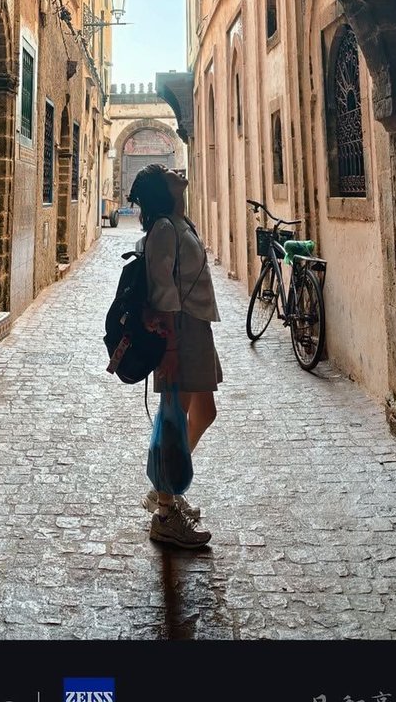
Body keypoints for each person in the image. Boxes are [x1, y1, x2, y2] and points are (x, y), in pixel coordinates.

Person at [127, 163, 222, 549]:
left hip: (195, 326)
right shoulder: (165, 228)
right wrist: (169, 347)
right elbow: (162, 290)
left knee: (204, 413)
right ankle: (166, 513)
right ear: (162, 189)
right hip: (178, 330)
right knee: (174, 421)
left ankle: (164, 484)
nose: (174, 169)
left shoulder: (180, 222)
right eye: (165, 171)